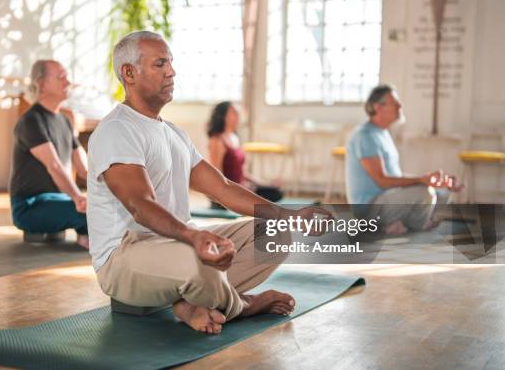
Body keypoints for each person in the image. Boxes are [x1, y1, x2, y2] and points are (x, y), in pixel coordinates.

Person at [87, 31, 331, 334]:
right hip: (123, 258)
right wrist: (193, 237)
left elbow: (223, 188)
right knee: (202, 263)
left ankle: (192, 302)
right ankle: (240, 306)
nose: (171, 71)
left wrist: (290, 216)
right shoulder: (117, 130)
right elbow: (140, 204)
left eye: (171, 63)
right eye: (160, 64)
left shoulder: (173, 133)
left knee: (274, 232)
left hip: (175, 246)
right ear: (129, 73)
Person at [345, 84, 462, 235]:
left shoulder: (383, 133)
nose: (400, 105)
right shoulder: (366, 135)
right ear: (378, 107)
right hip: (369, 208)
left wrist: (433, 181)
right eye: (394, 103)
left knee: (442, 191)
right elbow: (382, 180)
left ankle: (399, 225)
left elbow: (396, 177)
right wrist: (421, 180)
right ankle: (409, 225)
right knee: (424, 192)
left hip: (387, 199)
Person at [9, 60, 89, 249]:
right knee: (93, 212)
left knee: (106, 207)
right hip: (30, 206)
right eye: (61, 77)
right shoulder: (31, 121)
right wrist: (79, 198)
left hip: (58, 200)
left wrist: (115, 192)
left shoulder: (65, 121)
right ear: (42, 84)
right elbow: (54, 166)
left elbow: (85, 169)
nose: (68, 82)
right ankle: (86, 236)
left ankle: (85, 231)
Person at [207, 101, 284, 209]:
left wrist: (266, 183)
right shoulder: (217, 141)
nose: (238, 115)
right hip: (227, 194)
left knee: (276, 192)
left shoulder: (235, 138)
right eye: (234, 112)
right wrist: (240, 188)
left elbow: (242, 172)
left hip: (242, 188)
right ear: (223, 116)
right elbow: (216, 174)